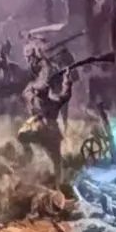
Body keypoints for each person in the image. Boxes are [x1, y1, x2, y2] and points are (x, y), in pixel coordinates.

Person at [18, 50, 74, 184]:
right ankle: (56, 180)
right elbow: (66, 94)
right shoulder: (53, 102)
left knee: (22, 136)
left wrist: (35, 86)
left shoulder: (32, 100)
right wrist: (66, 80)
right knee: (56, 160)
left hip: (40, 130)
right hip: (47, 132)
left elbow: (26, 92)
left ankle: (31, 159)